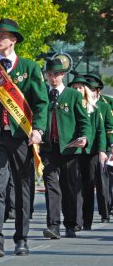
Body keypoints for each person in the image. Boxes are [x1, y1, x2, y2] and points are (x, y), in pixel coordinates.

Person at [0, 18, 49, 257]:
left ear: (14, 40)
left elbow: (41, 102)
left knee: (23, 188)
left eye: (2, 36)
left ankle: (21, 239)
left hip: (22, 137)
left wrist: (38, 129)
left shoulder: (30, 68)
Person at [41, 60, 91, 240]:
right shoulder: (42, 95)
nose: (53, 78)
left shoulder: (73, 95)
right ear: (46, 76)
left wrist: (84, 138)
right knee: (51, 187)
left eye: (56, 74)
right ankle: (53, 226)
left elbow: (84, 121)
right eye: (50, 74)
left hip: (69, 148)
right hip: (48, 148)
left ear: (63, 75)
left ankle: (70, 224)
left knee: (69, 187)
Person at [68, 75, 107, 230]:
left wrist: (102, 151)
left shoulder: (94, 108)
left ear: (85, 90)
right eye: (75, 87)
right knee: (73, 185)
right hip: (72, 150)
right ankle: (76, 221)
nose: (77, 90)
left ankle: (87, 220)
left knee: (88, 186)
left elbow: (100, 131)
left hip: (90, 152)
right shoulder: (68, 104)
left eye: (80, 87)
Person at [84, 73, 113, 217]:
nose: (91, 92)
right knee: (87, 181)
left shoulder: (105, 105)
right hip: (85, 147)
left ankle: (105, 213)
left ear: (98, 91)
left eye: (94, 89)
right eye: (89, 88)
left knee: (102, 180)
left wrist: (110, 145)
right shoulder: (81, 103)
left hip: (103, 147)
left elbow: (109, 127)